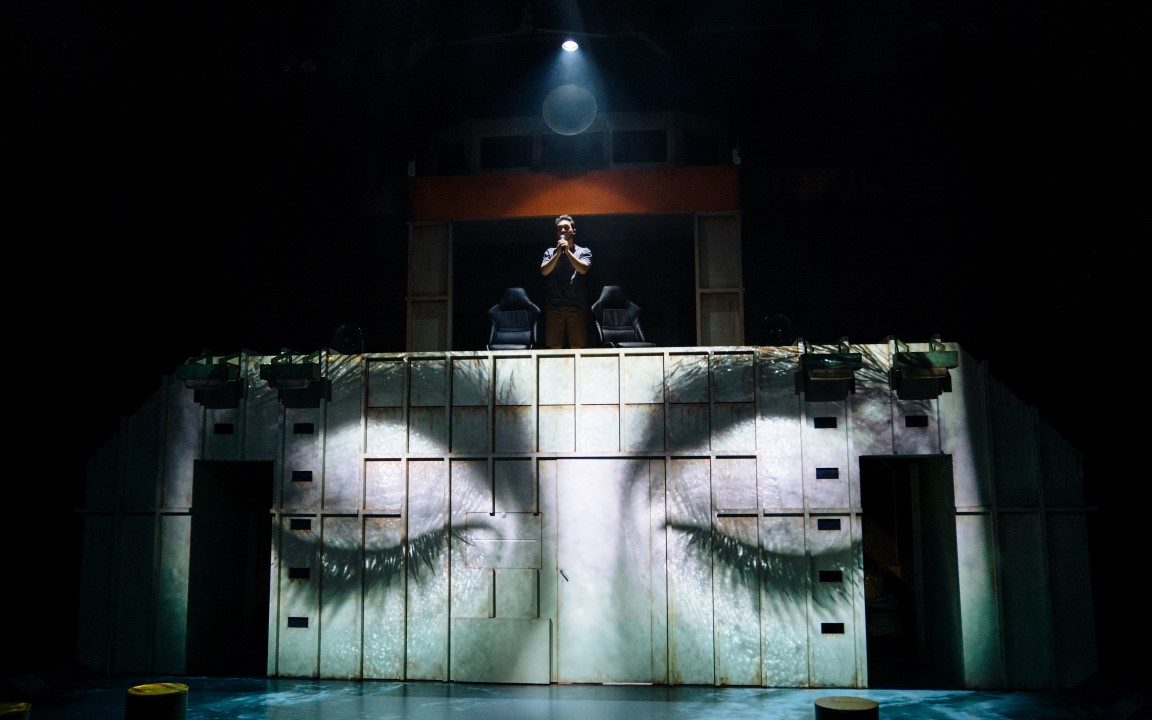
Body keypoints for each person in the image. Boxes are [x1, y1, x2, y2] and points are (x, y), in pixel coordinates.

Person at [539, 214, 592, 349]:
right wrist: (558, 253)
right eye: (559, 229)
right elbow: (544, 271)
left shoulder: (583, 251)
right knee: (554, 350)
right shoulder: (550, 252)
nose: (562, 231)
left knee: (578, 349)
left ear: (573, 231)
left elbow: (583, 269)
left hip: (576, 307)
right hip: (555, 308)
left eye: (565, 228)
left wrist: (567, 252)